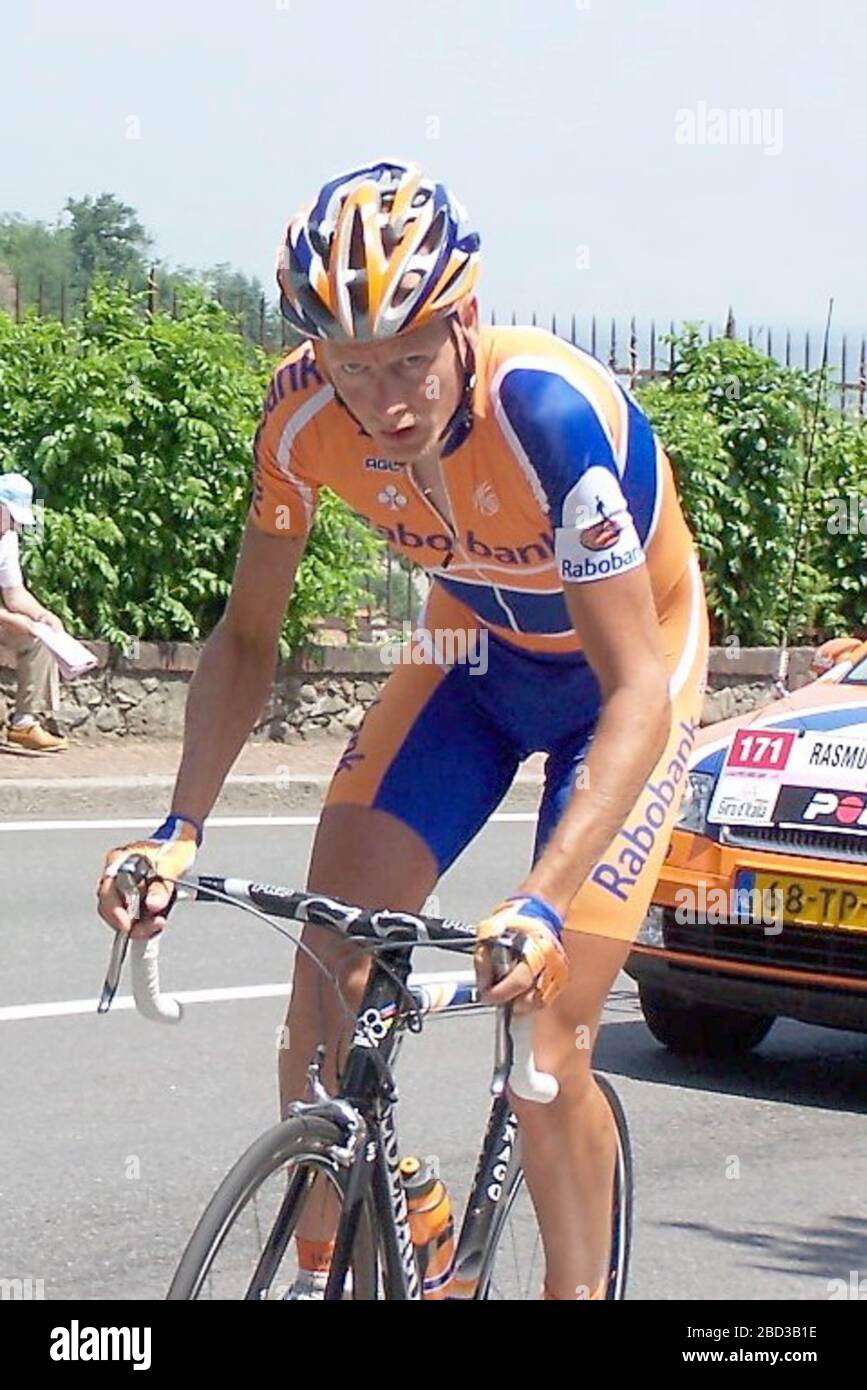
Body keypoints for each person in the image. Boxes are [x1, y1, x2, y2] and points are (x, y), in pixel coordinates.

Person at [97, 160, 709, 1300]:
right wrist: (178, 825)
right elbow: (246, 637)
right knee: (324, 990)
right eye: (353, 363)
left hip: (625, 682)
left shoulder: (548, 415)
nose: (384, 397)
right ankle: (362, 1252)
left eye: (412, 356)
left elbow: (637, 692)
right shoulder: (298, 419)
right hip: (470, 662)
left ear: (463, 320)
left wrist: (539, 899)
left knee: (545, 1041)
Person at [0, 471, 68, 752]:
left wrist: (42, 616)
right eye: (10, 515)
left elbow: (15, 594)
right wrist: (11, 619)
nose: (14, 523)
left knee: (40, 637)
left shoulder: (7, 539)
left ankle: (24, 724)